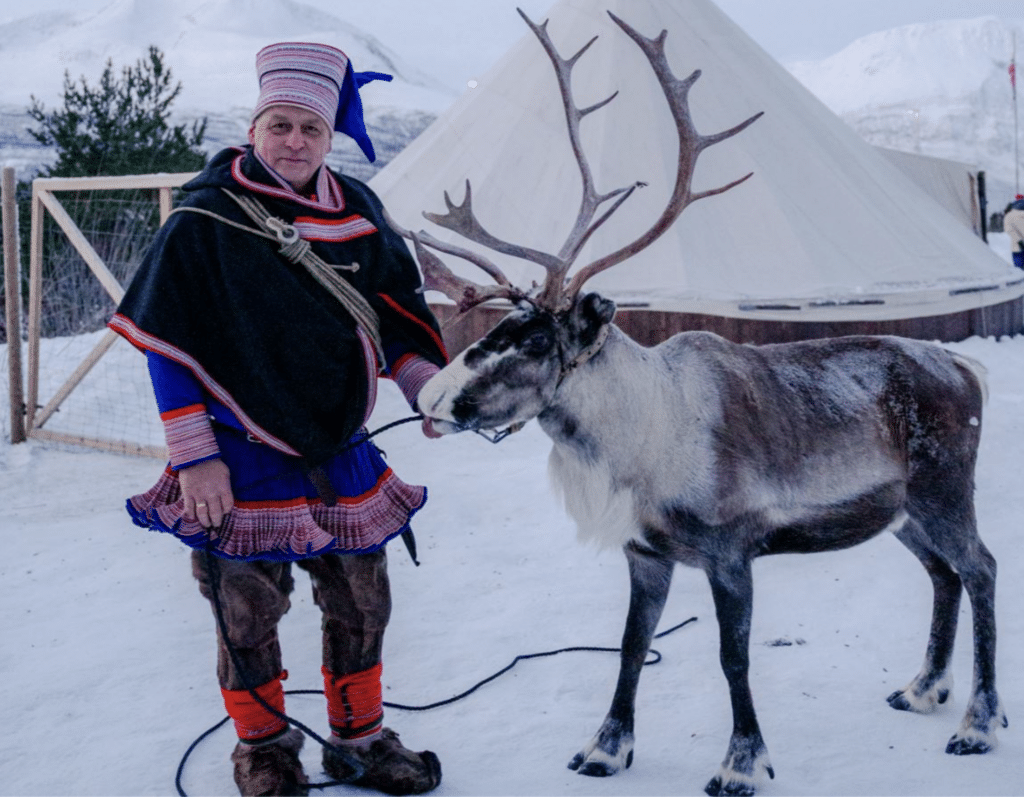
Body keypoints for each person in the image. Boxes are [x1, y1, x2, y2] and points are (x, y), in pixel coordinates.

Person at [109, 41, 449, 797]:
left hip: (339, 443)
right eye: (280, 125)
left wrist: (428, 388)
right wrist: (195, 456)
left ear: (330, 136)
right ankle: (263, 750)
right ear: (253, 126)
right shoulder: (206, 219)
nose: (295, 141)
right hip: (236, 450)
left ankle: (359, 737)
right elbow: (169, 342)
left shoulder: (359, 213)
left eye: (311, 129)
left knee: (363, 596)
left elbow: (396, 318)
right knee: (246, 607)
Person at [1004, 194, 1024, 270]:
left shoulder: (1010, 216)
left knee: (1019, 268)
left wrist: (1019, 241)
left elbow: (1009, 230)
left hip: (1017, 247)